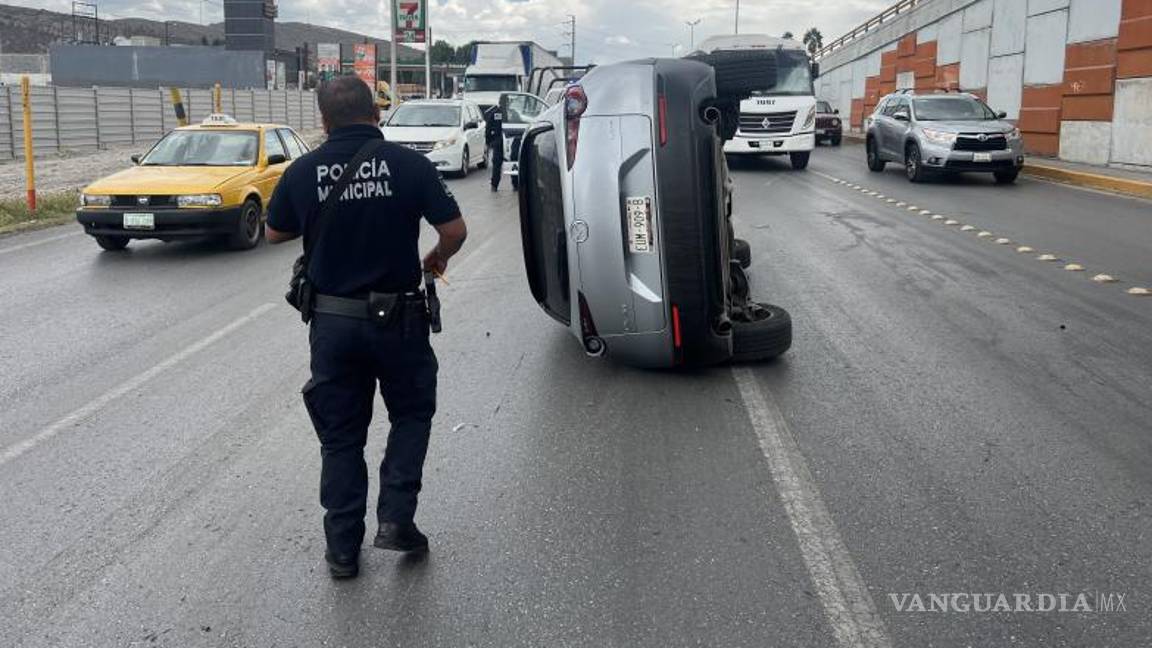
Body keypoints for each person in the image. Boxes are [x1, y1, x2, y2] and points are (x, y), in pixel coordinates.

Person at [266, 76, 467, 580]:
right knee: (412, 414)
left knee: (340, 437)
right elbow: (455, 231)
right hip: (399, 319)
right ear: (376, 114)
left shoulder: (303, 170)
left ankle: (341, 551)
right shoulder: (409, 166)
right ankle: (396, 518)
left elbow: (274, 231)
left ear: (324, 121)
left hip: (332, 324)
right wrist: (435, 261)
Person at [484, 102, 505, 192]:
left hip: (498, 141)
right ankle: (515, 184)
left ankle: (494, 185)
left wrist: (489, 142)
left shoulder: (495, 113)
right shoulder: (511, 112)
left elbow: (488, 129)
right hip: (507, 140)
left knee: (496, 163)